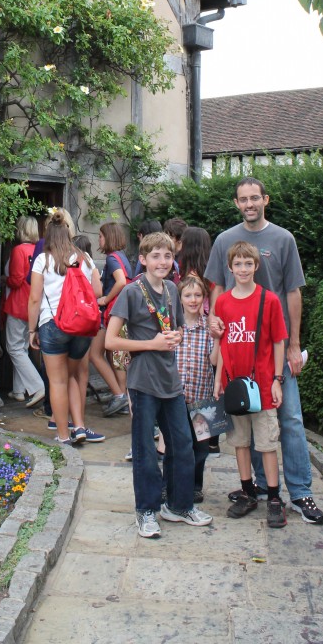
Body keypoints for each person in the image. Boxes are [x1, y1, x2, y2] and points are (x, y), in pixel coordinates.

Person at [205, 176, 323, 525]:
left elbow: (293, 293)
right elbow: (217, 289)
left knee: (288, 419)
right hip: (238, 352)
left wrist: (294, 345)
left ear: (265, 200)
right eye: (243, 199)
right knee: (247, 416)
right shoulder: (225, 240)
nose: (249, 204)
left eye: (255, 198)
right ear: (236, 203)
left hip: (273, 350)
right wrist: (214, 324)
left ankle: (301, 493)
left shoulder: (283, 239)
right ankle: (258, 488)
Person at [105, 232, 213, 538]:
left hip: (171, 380)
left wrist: (174, 338)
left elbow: (175, 328)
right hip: (143, 382)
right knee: (146, 452)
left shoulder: (170, 289)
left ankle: (179, 505)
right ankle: (147, 511)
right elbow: (112, 340)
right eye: (155, 256)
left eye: (167, 256)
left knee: (183, 445)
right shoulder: (131, 292)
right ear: (143, 260)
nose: (162, 262)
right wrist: (150, 343)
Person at [213, 241, 288, 528]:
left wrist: (278, 380)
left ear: (256, 266)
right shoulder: (223, 302)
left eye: (248, 263)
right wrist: (220, 379)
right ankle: (246, 492)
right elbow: (223, 345)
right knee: (240, 443)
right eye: (237, 264)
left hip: (263, 385)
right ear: (230, 268)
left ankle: (273, 497)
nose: (242, 269)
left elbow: (278, 342)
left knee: (267, 444)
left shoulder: (268, 300)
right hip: (235, 385)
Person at [28, 209, 105, 445]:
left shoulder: (44, 259)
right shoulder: (85, 258)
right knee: (72, 375)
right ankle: (79, 426)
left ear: (47, 234)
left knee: (58, 381)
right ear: (69, 232)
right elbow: (98, 292)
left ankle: (63, 435)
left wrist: (32, 331)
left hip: (53, 325)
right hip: (82, 327)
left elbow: (34, 298)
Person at [175, 274, 219, 504]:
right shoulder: (174, 326)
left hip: (203, 398)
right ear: (180, 298)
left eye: (198, 295)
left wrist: (218, 340)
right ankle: (172, 485)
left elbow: (213, 361)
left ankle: (195, 486)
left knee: (201, 448)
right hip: (176, 397)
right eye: (188, 295)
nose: (193, 300)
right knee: (177, 445)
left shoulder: (207, 328)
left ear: (204, 299)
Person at [3, 216, 45, 408]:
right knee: (22, 348)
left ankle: (37, 386)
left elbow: (16, 279)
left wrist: (5, 280)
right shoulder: (39, 250)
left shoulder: (18, 250)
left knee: (14, 348)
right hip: (33, 305)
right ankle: (19, 390)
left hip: (18, 303)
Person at [94, 222, 132, 417]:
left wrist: (105, 299)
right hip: (122, 313)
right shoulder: (123, 257)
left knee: (96, 354)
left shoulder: (111, 259)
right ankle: (122, 396)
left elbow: (121, 281)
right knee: (117, 356)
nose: (99, 240)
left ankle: (119, 396)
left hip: (110, 313)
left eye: (101, 236)